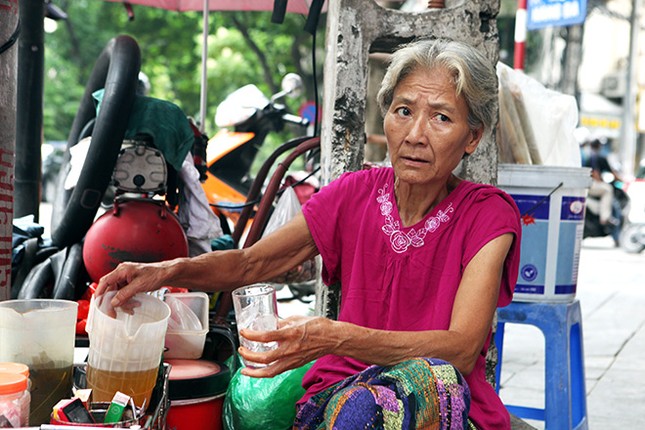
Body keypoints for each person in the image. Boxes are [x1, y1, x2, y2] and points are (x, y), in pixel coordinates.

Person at [96, 39, 522, 430]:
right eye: (403, 111)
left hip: (441, 404)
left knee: (424, 381)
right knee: (353, 408)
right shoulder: (354, 194)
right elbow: (251, 262)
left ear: (472, 138)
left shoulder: (487, 215)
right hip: (343, 399)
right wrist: (163, 271)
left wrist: (332, 335)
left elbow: (462, 349)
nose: (414, 135)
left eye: (441, 118)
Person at [582, 138, 623, 226]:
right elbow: (595, 173)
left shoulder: (588, 155)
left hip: (585, 183)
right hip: (589, 184)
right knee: (608, 189)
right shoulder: (597, 157)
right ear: (599, 146)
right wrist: (621, 180)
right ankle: (605, 218)